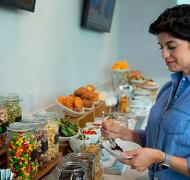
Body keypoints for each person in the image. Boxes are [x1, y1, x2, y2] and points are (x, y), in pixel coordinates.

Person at [101, 4, 190, 179]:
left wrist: (160, 157)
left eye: (171, 46)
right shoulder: (167, 88)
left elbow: (159, 153)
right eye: (161, 47)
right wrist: (124, 133)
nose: (164, 54)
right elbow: (158, 138)